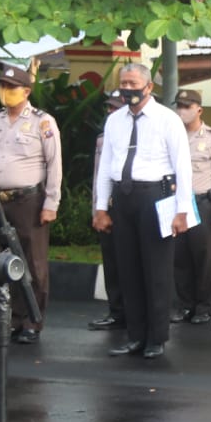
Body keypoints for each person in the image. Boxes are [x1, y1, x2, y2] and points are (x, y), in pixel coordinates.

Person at [93, 63, 193, 359]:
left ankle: (156, 337)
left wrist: (182, 210)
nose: (128, 88)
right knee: (128, 270)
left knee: (156, 270)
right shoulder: (114, 121)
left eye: (133, 83)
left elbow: (182, 166)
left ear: (148, 87)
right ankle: (135, 336)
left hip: (156, 197)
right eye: (124, 83)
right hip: (124, 198)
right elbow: (105, 167)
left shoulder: (167, 119)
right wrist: (101, 207)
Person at [0, 63, 62, 343]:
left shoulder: (42, 122)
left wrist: (51, 203)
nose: (4, 91)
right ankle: (3, 318)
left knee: (31, 262)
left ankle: (31, 320)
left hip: (28, 200)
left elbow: (54, 164)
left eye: (10, 88)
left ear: (26, 91)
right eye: (1, 86)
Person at [171, 89, 211, 325]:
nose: (183, 110)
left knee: (204, 258)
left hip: (204, 203)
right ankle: (185, 305)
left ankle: (204, 307)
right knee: (180, 256)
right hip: (177, 205)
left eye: (187, 106)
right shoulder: (172, 136)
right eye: (180, 106)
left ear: (199, 109)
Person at [88, 91, 127, 331]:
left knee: (130, 264)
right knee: (111, 264)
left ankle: (134, 313)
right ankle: (116, 311)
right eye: (109, 108)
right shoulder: (103, 139)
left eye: (115, 108)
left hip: (129, 208)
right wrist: (97, 209)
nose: (110, 113)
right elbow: (98, 176)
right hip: (106, 208)